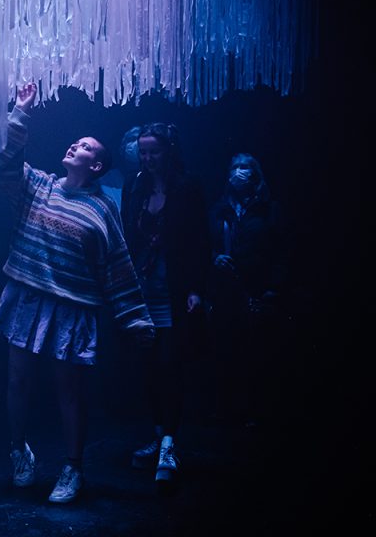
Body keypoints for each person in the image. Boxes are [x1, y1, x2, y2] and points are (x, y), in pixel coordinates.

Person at [0, 82, 155, 504]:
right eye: (75, 143)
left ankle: (73, 467)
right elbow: (4, 163)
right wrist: (21, 112)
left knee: (69, 391)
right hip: (27, 297)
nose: (73, 147)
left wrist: (136, 319)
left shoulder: (102, 210)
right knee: (18, 381)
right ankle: (18, 450)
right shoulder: (38, 186)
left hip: (73, 308)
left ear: (96, 166)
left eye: (84, 147)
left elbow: (118, 269)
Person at [121, 122, 210, 485]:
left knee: (170, 364)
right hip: (142, 292)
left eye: (153, 151)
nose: (147, 158)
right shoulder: (135, 186)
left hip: (173, 290)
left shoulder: (187, 188)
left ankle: (169, 443)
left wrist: (195, 288)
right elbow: (128, 235)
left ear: (168, 151)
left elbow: (200, 241)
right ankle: (159, 436)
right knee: (149, 368)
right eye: (143, 151)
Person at [208, 152, 288, 427]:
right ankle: (225, 409)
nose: (240, 172)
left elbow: (282, 251)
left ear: (256, 173)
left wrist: (273, 288)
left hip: (257, 288)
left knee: (257, 352)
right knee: (225, 348)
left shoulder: (270, 209)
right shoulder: (221, 209)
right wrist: (214, 258)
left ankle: (254, 411)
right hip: (226, 290)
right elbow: (207, 243)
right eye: (235, 167)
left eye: (246, 167)